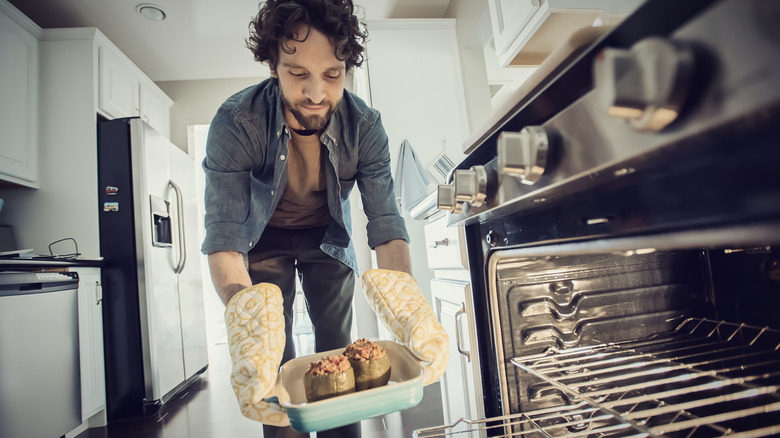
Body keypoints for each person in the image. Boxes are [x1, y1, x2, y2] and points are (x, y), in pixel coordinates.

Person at [201, 1, 448, 437]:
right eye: (298, 74)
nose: (317, 93)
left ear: (346, 69)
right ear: (274, 67)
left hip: (327, 237)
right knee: (272, 353)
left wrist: (410, 317)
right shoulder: (236, 122)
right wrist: (250, 330)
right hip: (260, 238)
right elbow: (224, 238)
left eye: (332, 75)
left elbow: (386, 225)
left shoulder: (365, 127)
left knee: (337, 345)